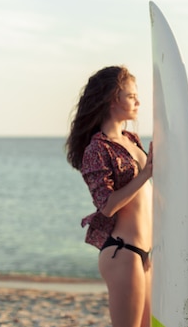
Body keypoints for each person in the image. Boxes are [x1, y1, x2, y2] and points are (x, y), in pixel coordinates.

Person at [66, 65, 154, 327]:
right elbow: (107, 205)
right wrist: (146, 173)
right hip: (122, 251)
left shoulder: (131, 138)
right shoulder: (97, 149)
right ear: (112, 100)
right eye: (131, 96)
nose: (138, 101)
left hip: (145, 252)